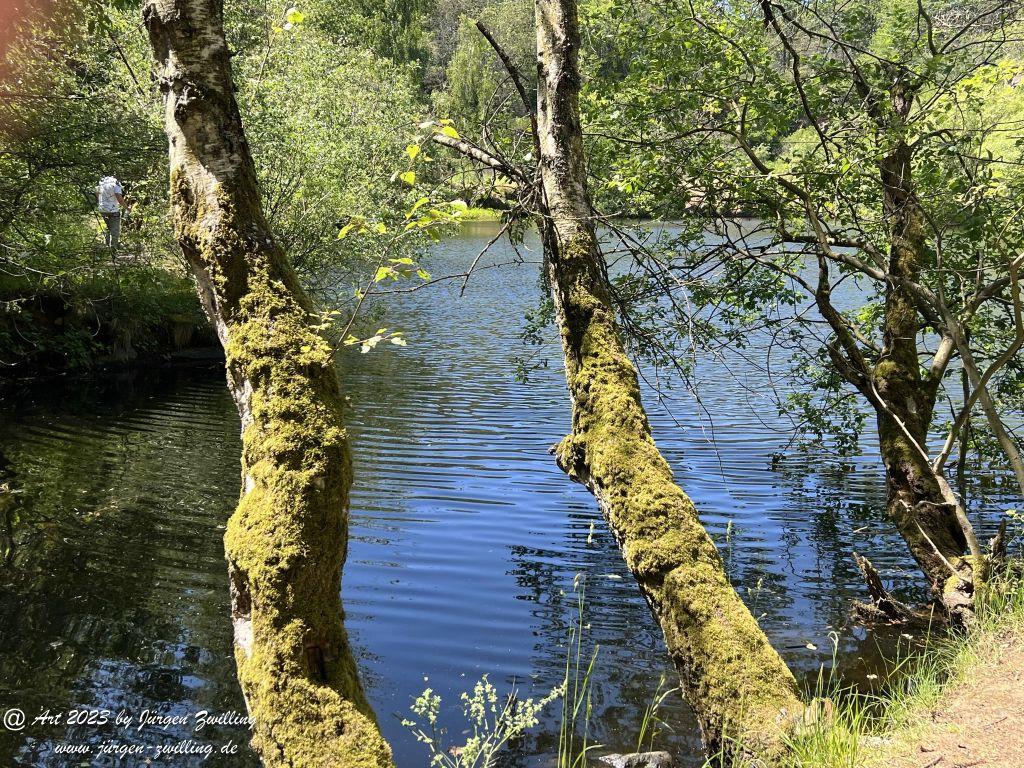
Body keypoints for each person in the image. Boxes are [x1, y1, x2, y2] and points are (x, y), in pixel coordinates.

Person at [96, 175, 131, 250]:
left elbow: (97, 193)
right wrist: (127, 208)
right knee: (115, 230)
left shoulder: (102, 182)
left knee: (107, 228)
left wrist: (101, 203)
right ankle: (113, 248)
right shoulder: (115, 183)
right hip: (113, 210)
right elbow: (119, 198)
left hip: (102, 209)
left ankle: (107, 246)